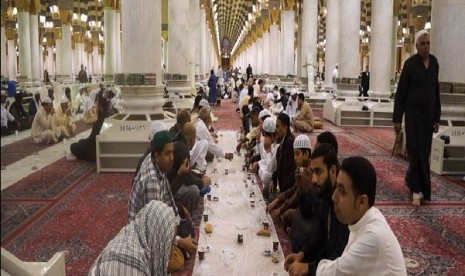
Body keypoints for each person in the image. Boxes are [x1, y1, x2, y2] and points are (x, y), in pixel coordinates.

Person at [317, 156, 407, 275]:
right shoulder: (362, 220)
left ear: (362, 202)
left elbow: (326, 274)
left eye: (342, 191)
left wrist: (320, 266)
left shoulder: (372, 236)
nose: (334, 197)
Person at [128, 129, 198, 255]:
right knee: (177, 259)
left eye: (172, 152)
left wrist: (178, 220)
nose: (172, 158)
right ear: (156, 155)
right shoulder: (151, 182)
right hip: (143, 233)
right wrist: (180, 241)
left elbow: (167, 196)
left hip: (155, 217)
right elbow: (153, 228)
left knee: (187, 228)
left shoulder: (159, 164)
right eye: (167, 154)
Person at [285, 143, 349, 276]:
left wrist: (308, 268)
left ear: (332, 171)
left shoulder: (344, 204)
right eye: (312, 172)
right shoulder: (327, 194)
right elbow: (321, 234)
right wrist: (301, 255)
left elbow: (341, 257)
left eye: (318, 172)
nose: (314, 179)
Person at [393, 30, 441, 207]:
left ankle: (416, 184)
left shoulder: (434, 63)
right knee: (414, 150)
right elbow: (401, 93)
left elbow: (436, 92)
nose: (426, 47)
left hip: (428, 118)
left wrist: (437, 117)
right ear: (416, 46)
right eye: (423, 44)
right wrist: (397, 118)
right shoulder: (410, 64)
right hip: (412, 115)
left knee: (424, 151)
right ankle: (416, 190)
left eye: (428, 43)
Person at [88, 200, 178, 276]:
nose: (171, 252)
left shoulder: (136, 231)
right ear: (160, 239)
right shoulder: (134, 266)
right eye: (170, 245)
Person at [267, 134, 312, 229]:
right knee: (273, 199)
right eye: (294, 154)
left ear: (306, 154)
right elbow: (293, 189)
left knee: (288, 215)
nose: (294, 157)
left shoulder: (308, 172)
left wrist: (279, 210)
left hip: (307, 210)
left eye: (297, 154)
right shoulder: (302, 168)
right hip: (298, 204)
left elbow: (295, 197)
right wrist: (277, 200)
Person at [265, 113, 296, 201]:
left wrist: (282, 193)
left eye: (278, 127)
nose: (276, 130)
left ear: (285, 127)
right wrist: (273, 179)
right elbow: (279, 167)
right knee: (266, 190)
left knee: (271, 198)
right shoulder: (283, 142)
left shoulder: (290, 143)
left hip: (288, 190)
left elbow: (289, 173)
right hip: (281, 186)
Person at [69, 91, 108, 161]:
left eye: (98, 106)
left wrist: (83, 145)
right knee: (81, 141)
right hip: (104, 146)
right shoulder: (108, 117)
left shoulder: (100, 121)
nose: (96, 108)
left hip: (96, 151)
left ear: (101, 107)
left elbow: (91, 140)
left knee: (73, 146)